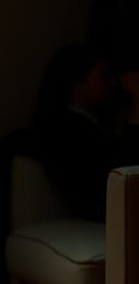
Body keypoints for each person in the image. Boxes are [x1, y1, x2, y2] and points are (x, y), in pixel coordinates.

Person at [30, 44, 139, 222]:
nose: (112, 83)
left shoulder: (88, 128)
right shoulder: (70, 132)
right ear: (76, 82)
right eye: (104, 75)